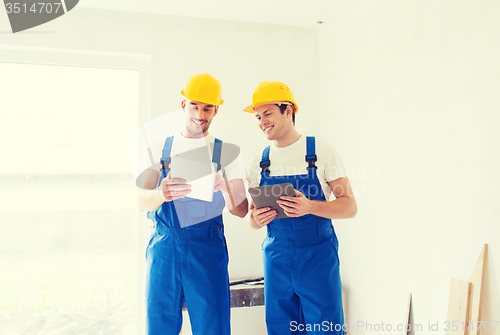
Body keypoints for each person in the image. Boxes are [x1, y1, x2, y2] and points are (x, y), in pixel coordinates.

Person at [137, 73, 248, 335]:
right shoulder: (158, 149)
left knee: (213, 327)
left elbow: (242, 211)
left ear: (216, 110)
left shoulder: (227, 153)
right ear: (183, 104)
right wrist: (161, 194)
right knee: (159, 325)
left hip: (207, 250)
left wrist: (226, 187)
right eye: (194, 106)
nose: (200, 114)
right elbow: (141, 201)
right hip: (165, 249)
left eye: (207, 108)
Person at [244, 81, 357, 335]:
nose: (262, 121)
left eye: (268, 113)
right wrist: (256, 219)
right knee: (281, 329)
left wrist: (309, 207)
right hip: (276, 258)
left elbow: (350, 207)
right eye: (258, 116)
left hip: (317, 257)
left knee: (325, 328)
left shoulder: (320, 151)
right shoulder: (259, 162)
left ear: (289, 111)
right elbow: (249, 219)